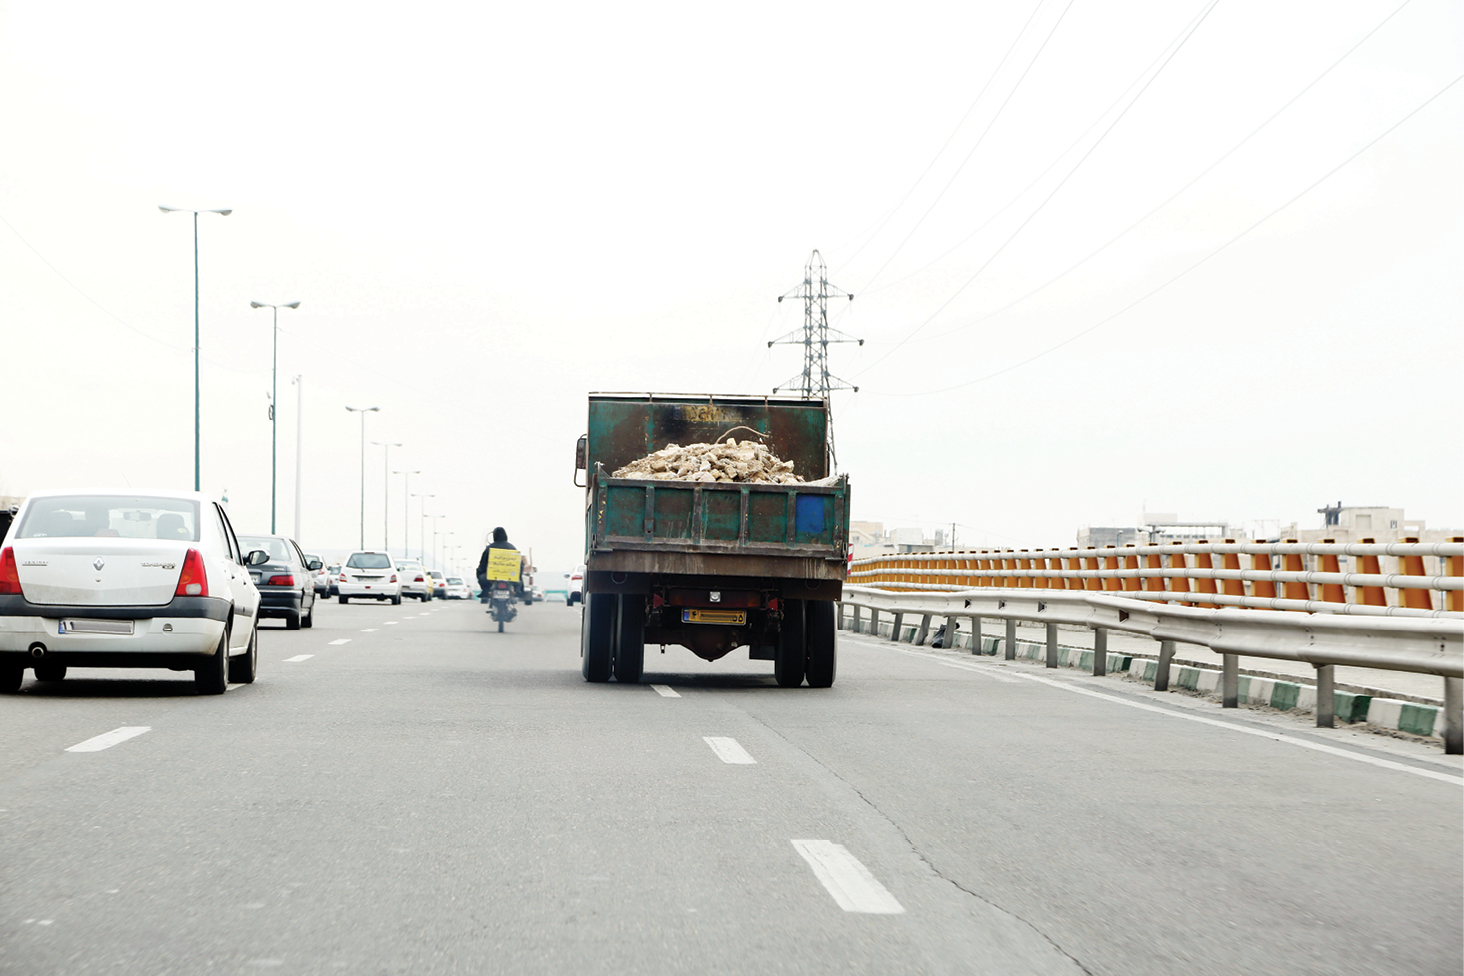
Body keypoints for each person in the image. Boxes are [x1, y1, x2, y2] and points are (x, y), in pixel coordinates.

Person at [476, 527, 519, 604]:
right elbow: (519, 565)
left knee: (482, 577)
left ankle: (485, 592)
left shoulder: (489, 548)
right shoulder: (512, 548)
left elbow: (482, 565)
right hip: (510, 577)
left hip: (492, 577)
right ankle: (517, 592)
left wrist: (480, 573)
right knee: (518, 582)